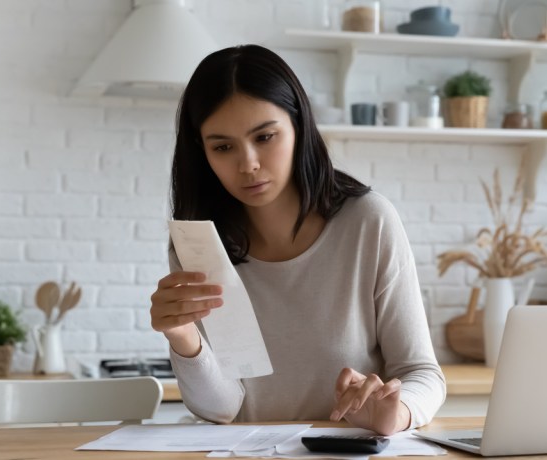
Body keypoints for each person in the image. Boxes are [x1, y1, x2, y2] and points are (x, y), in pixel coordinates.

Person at [150, 44, 445, 435]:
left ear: (299, 126)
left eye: (266, 137)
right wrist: (182, 337)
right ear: (202, 153)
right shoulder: (200, 247)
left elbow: (421, 372)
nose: (248, 163)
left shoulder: (368, 223)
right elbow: (223, 410)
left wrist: (397, 412)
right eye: (223, 147)